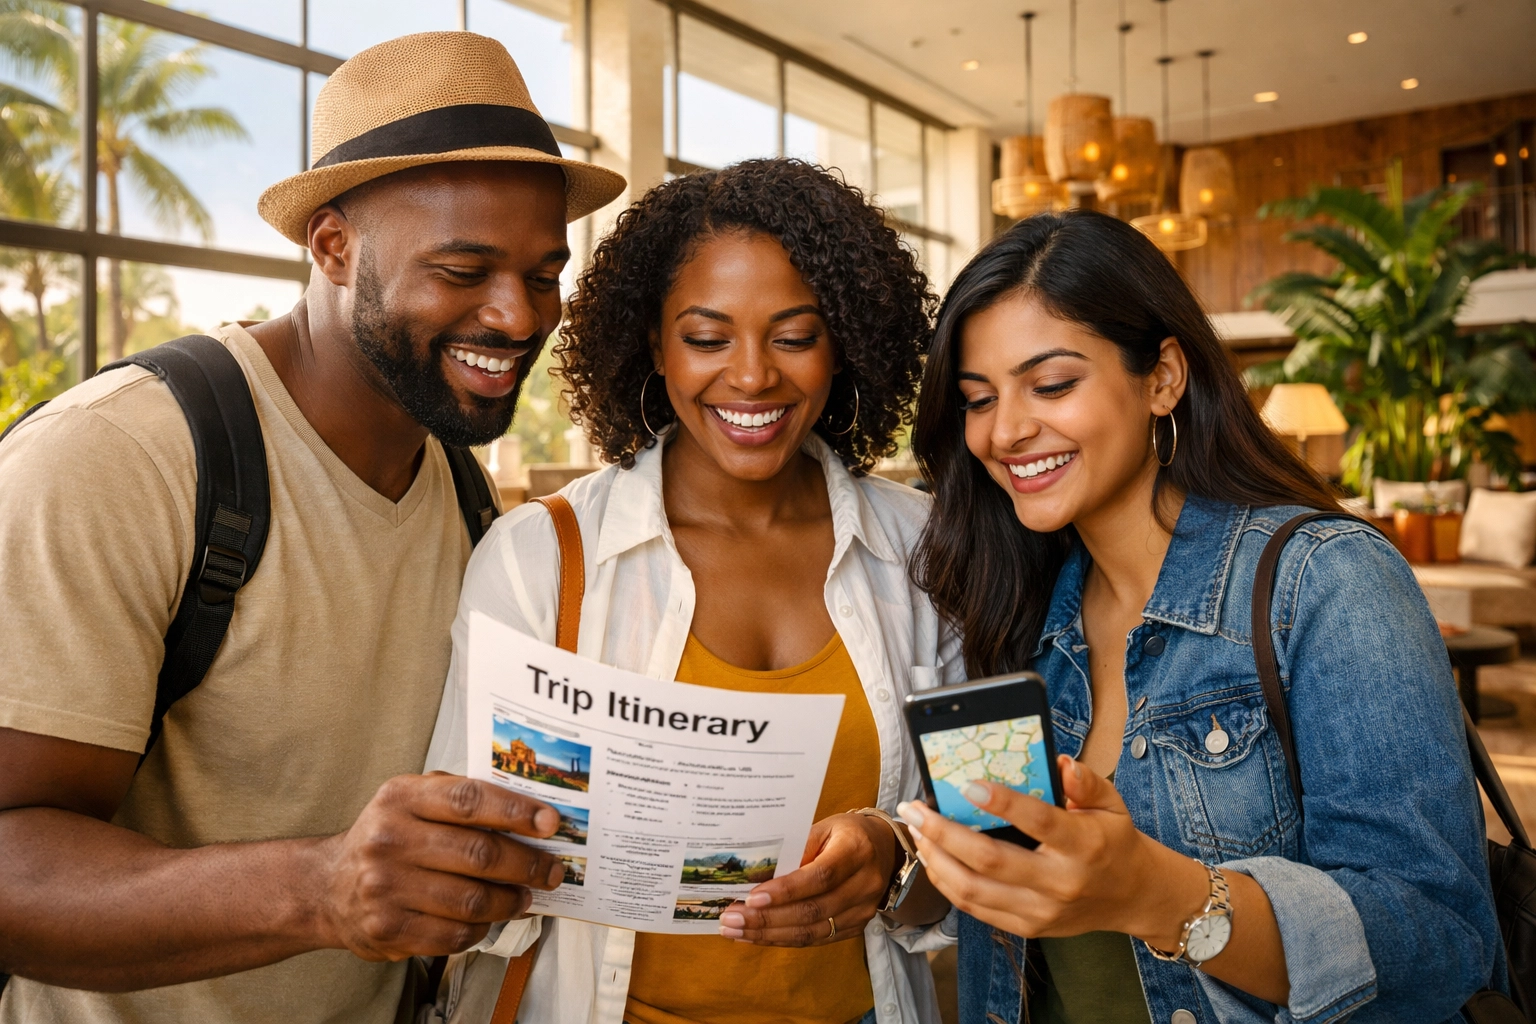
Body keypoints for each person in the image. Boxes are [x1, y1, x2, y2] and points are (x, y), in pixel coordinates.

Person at [0, 32, 626, 1023]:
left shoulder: (464, 503)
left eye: (543, 273)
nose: (518, 316)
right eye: (464, 270)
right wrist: (321, 888)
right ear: (332, 247)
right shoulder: (120, 460)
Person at [897, 211, 1503, 1024]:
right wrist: (897, 859)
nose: (1006, 430)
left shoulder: (1326, 582)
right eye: (978, 399)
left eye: (1051, 385)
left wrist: (1160, 894)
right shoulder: (1019, 607)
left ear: (1163, 378)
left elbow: (1439, 940)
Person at [425, 158, 959, 1024]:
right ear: (653, 343)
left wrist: (897, 859)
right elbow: (456, 873)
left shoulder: (926, 550)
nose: (752, 378)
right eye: (708, 338)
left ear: (846, 342)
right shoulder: (541, 558)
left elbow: (996, 837)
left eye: (794, 336)